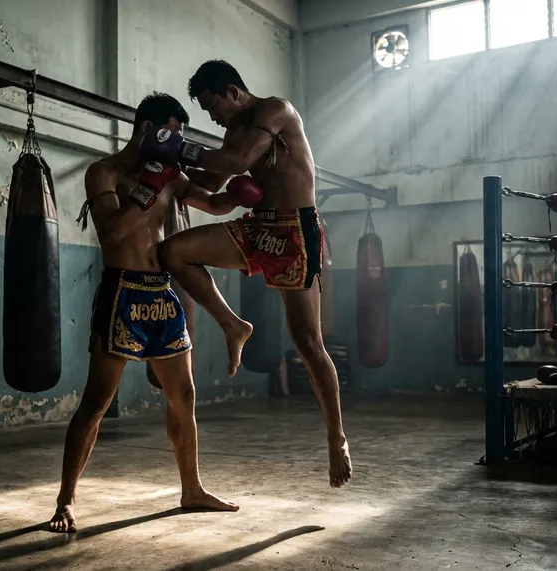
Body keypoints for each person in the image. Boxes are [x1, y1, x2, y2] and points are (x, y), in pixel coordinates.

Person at [140, 59, 353, 489]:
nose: (211, 115)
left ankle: (337, 438)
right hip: (258, 226)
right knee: (173, 251)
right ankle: (234, 324)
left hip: (295, 228)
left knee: (308, 344)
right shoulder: (231, 133)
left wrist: (175, 146)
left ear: (233, 92)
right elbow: (214, 179)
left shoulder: (277, 110)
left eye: (212, 105)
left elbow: (236, 161)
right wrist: (168, 174)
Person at [51, 92, 240, 533]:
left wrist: (244, 192)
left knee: (185, 398)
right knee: (97, 402)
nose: (173, 145)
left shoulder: (171, 178)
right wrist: (148, 185)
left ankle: (191, 489)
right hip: (123, 294)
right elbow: (114, 234)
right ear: (146, 130)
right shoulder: (105, 173)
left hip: (162, 294)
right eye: (169, 135)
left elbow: (212, 204)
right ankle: (65, 501)